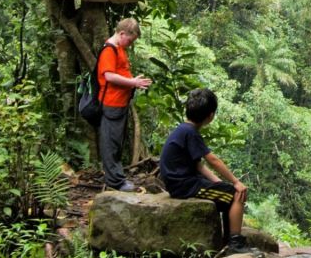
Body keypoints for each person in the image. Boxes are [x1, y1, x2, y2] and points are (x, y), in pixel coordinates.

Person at [160, 88, 259, 255]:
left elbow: (199, 166)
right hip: (185, 186)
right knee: (236, 194)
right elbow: (212, 160)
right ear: (211, 115)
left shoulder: (183, 129)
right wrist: (236, 182)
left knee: (228, 191)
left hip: (180, 183)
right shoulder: (191, 133)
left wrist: (219, 183)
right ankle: (234, 242)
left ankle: (229, 240)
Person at [97, 17, 152, 191]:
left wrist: (134, 82)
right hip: (111, 103)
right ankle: (115, 181)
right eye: (129, 40)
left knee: (117, 142)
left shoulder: (119, 48)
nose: (130, 43)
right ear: (121, 34)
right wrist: (133, 83)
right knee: (110, 143)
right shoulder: (109, 50)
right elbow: (109, 76)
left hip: (120, 102)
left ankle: (117, 177)